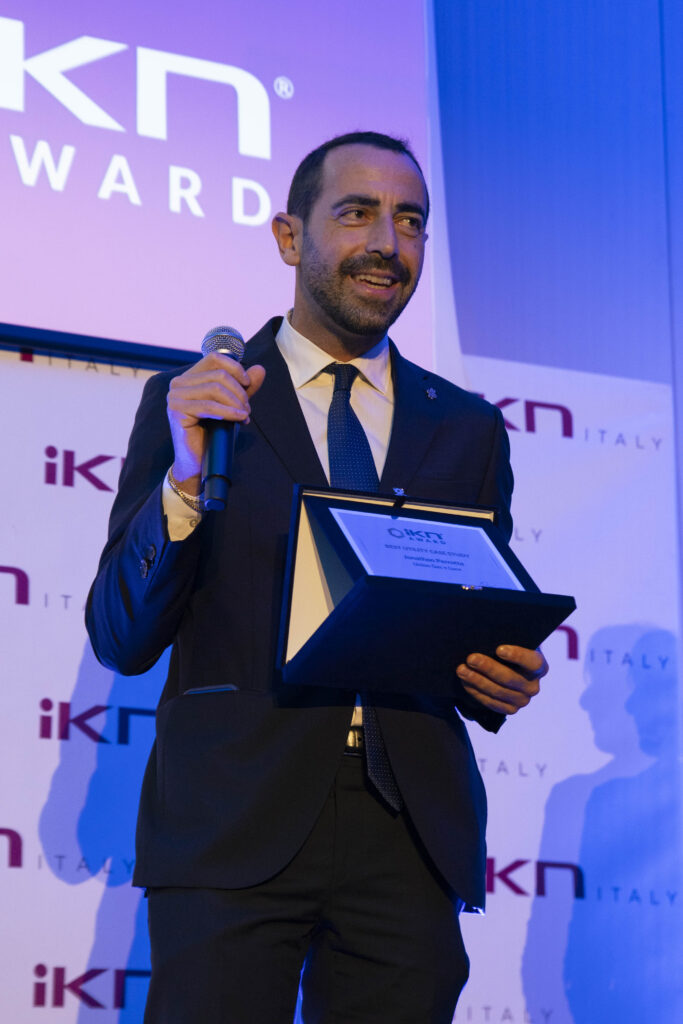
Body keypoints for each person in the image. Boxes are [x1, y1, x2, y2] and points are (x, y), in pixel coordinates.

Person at [86, 131, 548, 1024]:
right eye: (357, 213)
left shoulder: (466, 427)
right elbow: (121, 635)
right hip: (232, 821)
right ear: (289, 237)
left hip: (409, 832)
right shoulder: (202, 405)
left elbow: (466, 617)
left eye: (409, 221)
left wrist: (499, 673)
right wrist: (185, 481)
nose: (386, 242)